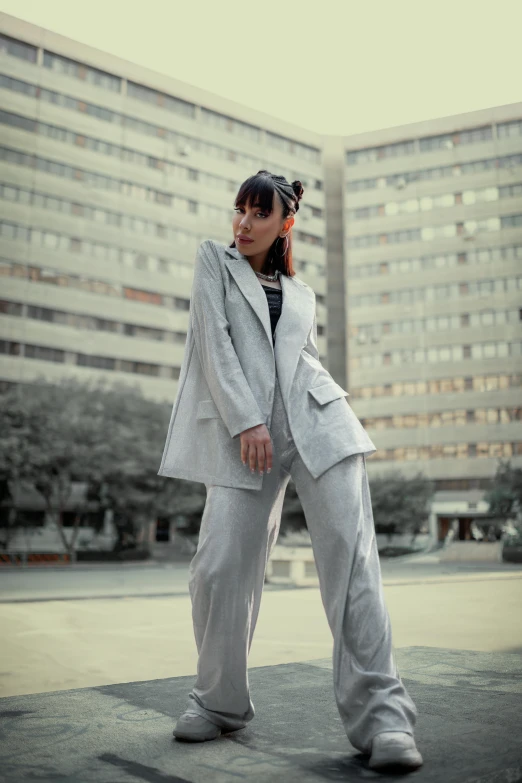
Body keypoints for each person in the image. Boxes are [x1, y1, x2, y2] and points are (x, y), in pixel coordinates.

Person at [158, 170, 423, 772]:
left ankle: (384, 720)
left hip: (320, 421)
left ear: (285, 223)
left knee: (353, 567)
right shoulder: (213, 263)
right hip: (244, 434)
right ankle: (218, 702)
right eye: (239, 210)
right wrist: (246, 421)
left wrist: (288, 413)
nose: (244, 223)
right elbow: (213, 343)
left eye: (259, 214)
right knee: (221, 567)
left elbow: (298, 361)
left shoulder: (300, 291)